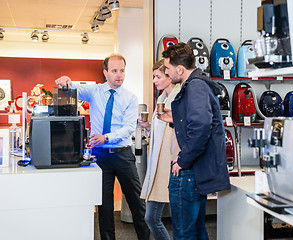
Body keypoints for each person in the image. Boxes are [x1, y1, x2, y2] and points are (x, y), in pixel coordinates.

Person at [55, 53, 150, 240]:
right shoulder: (95, 91)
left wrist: (105, 138)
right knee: (105, 208)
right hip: (100, 158)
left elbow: (128, 128)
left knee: (137, 204)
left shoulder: (130, 98)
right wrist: (65, 81)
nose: (119, 75)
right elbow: (72, 88)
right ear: (105, 72)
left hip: (123, 155)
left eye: (122, 71)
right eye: (114, 71)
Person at [158, 42, 231, 240]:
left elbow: (200, 128)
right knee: (197, 231)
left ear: (180, 69)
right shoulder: (198, 84)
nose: (166, 72)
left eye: (167, 68)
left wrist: (182, 160)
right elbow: (198, 122)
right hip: (195, 171)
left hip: (189, 171)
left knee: (184, 234)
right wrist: (175, 119)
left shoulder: (196, 86)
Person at [138, 59, 181, 240]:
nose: (154, 80)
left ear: (169, 76)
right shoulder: (162, 99)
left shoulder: (178, 99)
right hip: (158, 165)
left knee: (153, 218)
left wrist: (179, 160)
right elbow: (160, 134)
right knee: (153, 217)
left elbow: (178, 134)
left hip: (171, 166)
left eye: (157, 76)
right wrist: (148, 126)